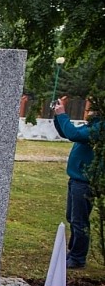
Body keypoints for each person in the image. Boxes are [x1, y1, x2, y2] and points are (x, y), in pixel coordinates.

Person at [53, 96, 102, 269]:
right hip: (76, 179)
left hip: (84, 181)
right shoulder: (94, 124)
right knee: (72, 218)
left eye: (93, 106)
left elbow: (74, 134)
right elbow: (67, 133)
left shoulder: (100, 127)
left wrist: (62, 115)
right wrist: (58, 116)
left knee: (79, 221)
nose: (89, 110)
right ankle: (73, 253)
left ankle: (77, 258)